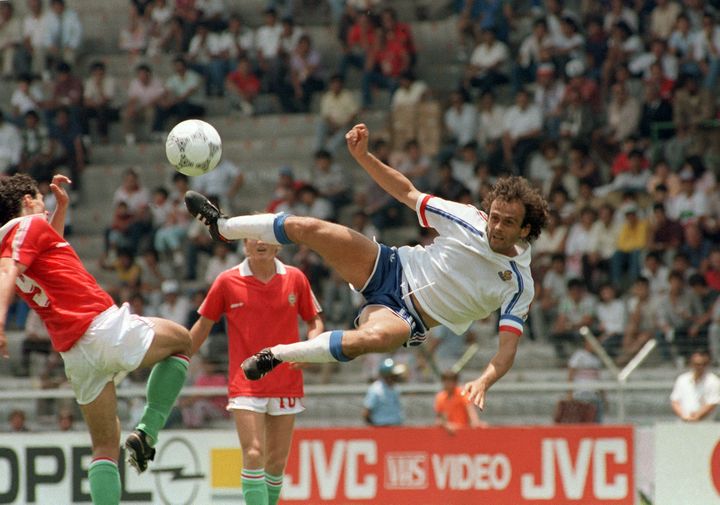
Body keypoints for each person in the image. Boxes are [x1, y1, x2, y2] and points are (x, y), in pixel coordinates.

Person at [185, 123, 549, 409]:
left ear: (525, 229)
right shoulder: (469, 219)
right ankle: (223, 227)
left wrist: (483, 380)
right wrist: (364, 157)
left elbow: (506, 350)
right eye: (495, 217)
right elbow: (408, 192)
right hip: (388, 266)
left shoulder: (518, 284)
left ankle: (275, 355)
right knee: (310, 228)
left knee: (372, 340)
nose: (495, 226)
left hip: (409, 318)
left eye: (506, 222)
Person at [0, 174, 191, 505]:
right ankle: (147, 431)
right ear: (28, 201)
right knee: (182, 341)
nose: (45, 206)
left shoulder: (23, 236)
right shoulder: (24, 229)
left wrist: (60, 208)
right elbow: (8, 271)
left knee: (104, 446)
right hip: (101, 329)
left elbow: (48, 253)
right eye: (42, 200)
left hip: (75, 354)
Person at [189, 237, 323, 505]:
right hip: (245, 382)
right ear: (245, 245)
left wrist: (312, 347)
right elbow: (202, 328)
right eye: (253, 236)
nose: (260, 241)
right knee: (252, 453)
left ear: (278, 246)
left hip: (286, 380)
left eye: (266, 236)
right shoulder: (226, 281)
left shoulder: (295, 277)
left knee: (275, 463)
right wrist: (177, 356)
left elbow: (314, 320)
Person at [670, 349, 720, 422]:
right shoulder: (682, 379)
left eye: (703, 364)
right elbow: (675, 401)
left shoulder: (713, 381)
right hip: (683, 423)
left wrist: (697, 416)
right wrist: (684, 416)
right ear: (691, 363)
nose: (700, 367)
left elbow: (712, 403)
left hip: (706, 425)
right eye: (697, 364)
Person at [363, 358, 404, 426]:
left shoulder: (395, 388)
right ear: (387, 376)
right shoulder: (376, 389)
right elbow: (366, 413)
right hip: (381, 427)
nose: (396, 377)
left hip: (396, 426)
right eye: (393, 375)